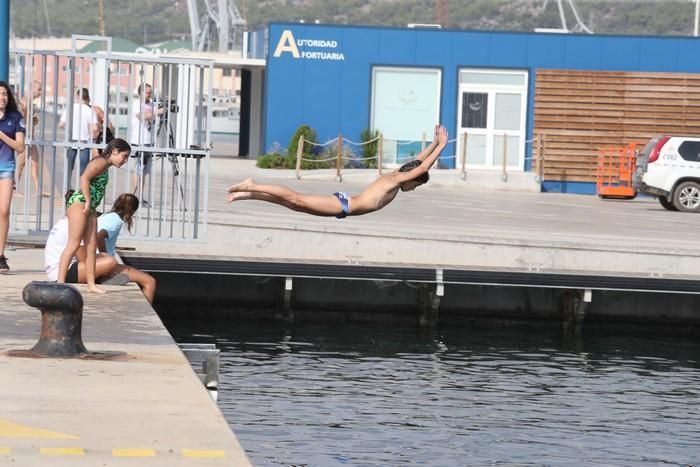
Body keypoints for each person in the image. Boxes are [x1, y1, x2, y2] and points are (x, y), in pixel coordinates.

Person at [227, 125, 448, 217]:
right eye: (415, 185)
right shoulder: (397, 179)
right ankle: (252, 185)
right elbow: (423, 166)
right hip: (344, 205)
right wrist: (441, 146)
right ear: (413, 178)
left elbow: (419, 162)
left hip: (343, 206)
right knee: (296, 198)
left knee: (293, 204)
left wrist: (433, 142)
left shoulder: (397, 176)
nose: (411, 189)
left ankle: (248, 194)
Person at [57, 138, 131, 293]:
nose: (125, 161)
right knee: (74, 243)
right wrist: (88, 200)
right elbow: (84, 177)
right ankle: (60, 282)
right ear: (115, 151)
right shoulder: (101, 162)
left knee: (91, 246)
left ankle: (91, 284)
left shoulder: (106, 164)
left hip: (89, 207)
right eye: (124, 156)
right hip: (80, 203)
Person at [44, 190, 120, 283]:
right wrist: (102, 259)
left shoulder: (64, 221)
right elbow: (84, 257)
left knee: (105, 259)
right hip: (62, 272)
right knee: (110, 262)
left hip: (57, 269)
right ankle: (99, 277)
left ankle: (100, 275)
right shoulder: (76, 225)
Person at [97, 193, 157, 304]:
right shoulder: (116, 221)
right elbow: (99, 237)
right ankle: (145, 315)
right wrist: (104, 256)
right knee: (149, 281)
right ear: (132, 211)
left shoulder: (105, 216)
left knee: (138, 274)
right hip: (101, 263)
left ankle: (103, 277)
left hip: (93, 261)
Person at [0, 81, 27, 273]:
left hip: (6, 168)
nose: (2, 98)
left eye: (4, 94)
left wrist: (1, 135)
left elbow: (20, 147)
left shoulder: (15, 117)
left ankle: (0, 255)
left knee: (3, 211)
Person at [128, 83, 164, 204]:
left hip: (149, 142)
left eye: (150, 92)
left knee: (144, 171)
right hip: (139, 141)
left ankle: (140, 197)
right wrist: (157, 112)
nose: (149, 94)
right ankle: (132, 196)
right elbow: (141, 116)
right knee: (138, 169)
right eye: (147, 92)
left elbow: (157, 114)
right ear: (141, 93)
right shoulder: (136, 104)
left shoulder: (152, 104)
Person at [16, 80, 50, 197]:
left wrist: (33, 121)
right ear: (31, 89)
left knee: (35, 162)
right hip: (25, 136)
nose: (41, 92)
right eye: (39, 89)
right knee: (21, 163)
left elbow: (27, 120)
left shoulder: (29, 101)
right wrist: (30, 121)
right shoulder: (25, 102)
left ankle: (38, 189)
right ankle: (13, 188)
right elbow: (21, 120)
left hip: (31, 136)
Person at [59, 87, 98, 189]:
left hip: (71, 140)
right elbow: (94, 128)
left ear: (77, 96)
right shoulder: (90, 110)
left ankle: (66, 188)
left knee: (69, 166)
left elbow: (61, 124)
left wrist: (71, 129)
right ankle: (82, 190)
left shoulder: (70, 108)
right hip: (84, 141)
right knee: (83, 169)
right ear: (88, 97)